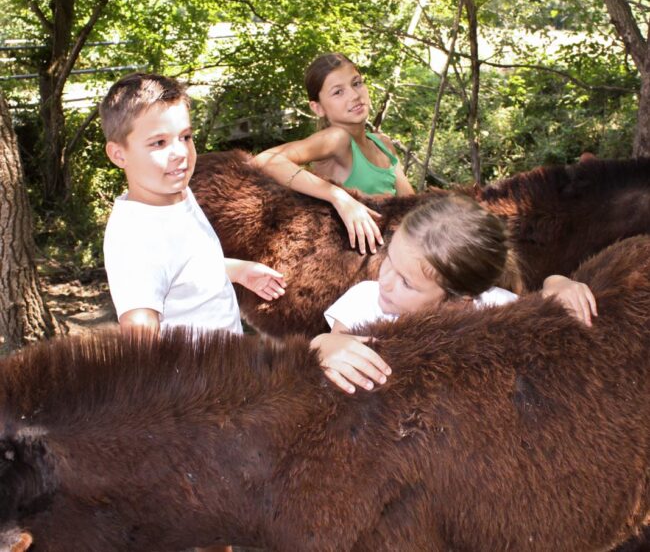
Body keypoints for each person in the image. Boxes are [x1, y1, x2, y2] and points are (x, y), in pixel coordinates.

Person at [101, 73, 287, 552]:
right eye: (159, 142)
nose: (180, 152)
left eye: (185, 136)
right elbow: (140, 331)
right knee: (206, 517)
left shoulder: (176, 195)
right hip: (192, 399)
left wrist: (238, 270)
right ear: (119, 154)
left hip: (227, 374)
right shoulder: (135, 238)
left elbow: (187, 262)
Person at [310, 194, 598, 395]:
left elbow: (538, 310)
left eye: (406, 283)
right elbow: (332, 341)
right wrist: (323, 346)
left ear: (460, 301)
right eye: (388, 259)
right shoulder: (363, 301)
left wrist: (557, 283)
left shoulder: (493, 309)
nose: (384, 280)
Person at [253, 52, 414, 255]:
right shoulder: (337, 138)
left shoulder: (383, 143)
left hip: (389, 252)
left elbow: (412, 207)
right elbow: (264, 160)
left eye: (356, 83)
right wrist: (340, 197)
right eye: (338, 92)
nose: (355, 95)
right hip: (347, 259)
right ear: (318, 108)